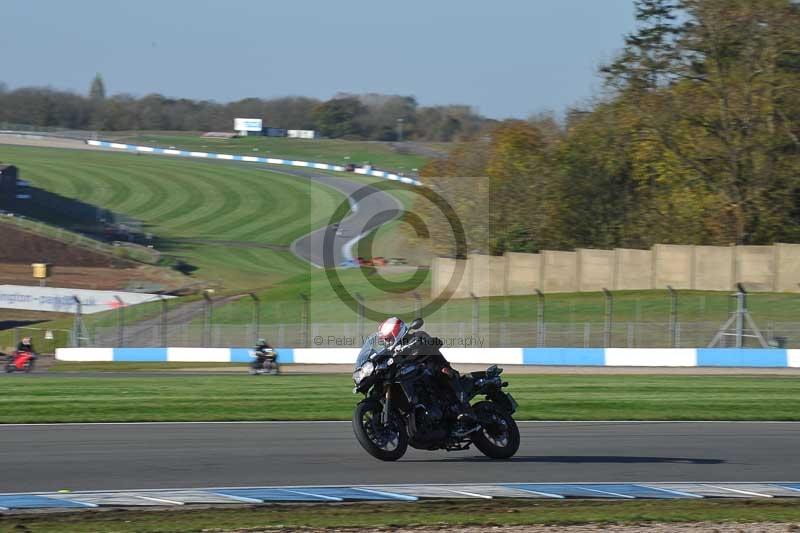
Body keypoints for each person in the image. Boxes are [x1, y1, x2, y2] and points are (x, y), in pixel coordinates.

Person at [376, 317, 477, 433]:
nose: (387, 342)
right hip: (415, 376)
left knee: (442, 373)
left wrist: (425, 342)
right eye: (385, 340)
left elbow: (436, 342)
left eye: (388, 339)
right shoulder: (393, 352)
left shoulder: (417, 336)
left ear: (397, 333)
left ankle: (466, 411)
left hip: (435, 367)